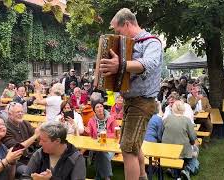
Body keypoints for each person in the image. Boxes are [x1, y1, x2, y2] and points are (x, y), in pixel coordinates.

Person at [100, 8, 162, 180]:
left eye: (118, 30)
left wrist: (120, 65)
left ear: (127, 24)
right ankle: (142, 176)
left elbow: (148, 63)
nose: (117, 34)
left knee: (128, 150)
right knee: (131, 146)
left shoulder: (152, 42)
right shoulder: (126, 44)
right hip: (130, 101)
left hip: (143, 102)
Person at [162, 101, 199, 180]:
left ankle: (172, 170)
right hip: (182, 150)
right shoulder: (187, 120)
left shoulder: (166, 119)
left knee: (187, 151)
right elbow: (192, 137)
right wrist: (192, 144)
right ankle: (188, 169)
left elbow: (162, 132)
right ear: (183, 109)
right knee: (195, 151)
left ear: (173, 109)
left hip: (167, 149)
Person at [1, 103, 39, 175]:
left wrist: (42, 133)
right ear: (10, 114)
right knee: (28, 173)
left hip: (31, 156)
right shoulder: (5, 128)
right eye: (18, 112)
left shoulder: (25, 123)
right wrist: (35, 136)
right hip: (16, 162)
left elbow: (37, 137)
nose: (21, 114)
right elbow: (17, 148)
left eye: (22, 112)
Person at [85, 98, 117, 180]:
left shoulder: (111, 119)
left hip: (110, 145)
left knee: (102, 153)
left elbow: (116, 135)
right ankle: (107, 177)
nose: (99, 109)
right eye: (97, 107)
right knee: (101, 152)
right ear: (94, 111)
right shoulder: (91, 120)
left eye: (101, 106)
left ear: (103, 108)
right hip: (96, 145)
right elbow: (90, 136)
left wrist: (106, 135)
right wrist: (88, 132)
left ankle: (98, 177)